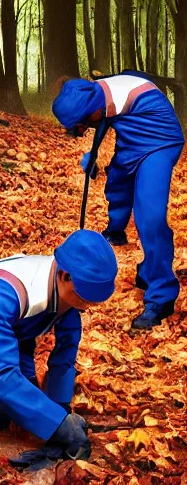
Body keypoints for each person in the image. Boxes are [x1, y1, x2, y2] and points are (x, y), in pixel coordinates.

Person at [0, 230, 118, 465]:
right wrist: (59, 427)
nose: (87, 307)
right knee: (7, 388)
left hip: (19, 335)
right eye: (84, 298)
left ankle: (13, 406)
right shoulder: (1, 292)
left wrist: (60, 408)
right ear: (65, 276)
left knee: (29, 394)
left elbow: (65, 353)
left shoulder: (67, 290)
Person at [52, 71, 185, 329]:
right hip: (132, 139)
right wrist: (90, 157)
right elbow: (101, 124)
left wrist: (91, 152)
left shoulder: (118, 97)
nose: (81, 130)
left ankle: (161, 296)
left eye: (81, 125)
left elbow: (101, 121)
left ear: (92, 112)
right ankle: (116, 231)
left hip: (159, 142)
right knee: (116, 181)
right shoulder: (97, 96)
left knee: (151, 217)